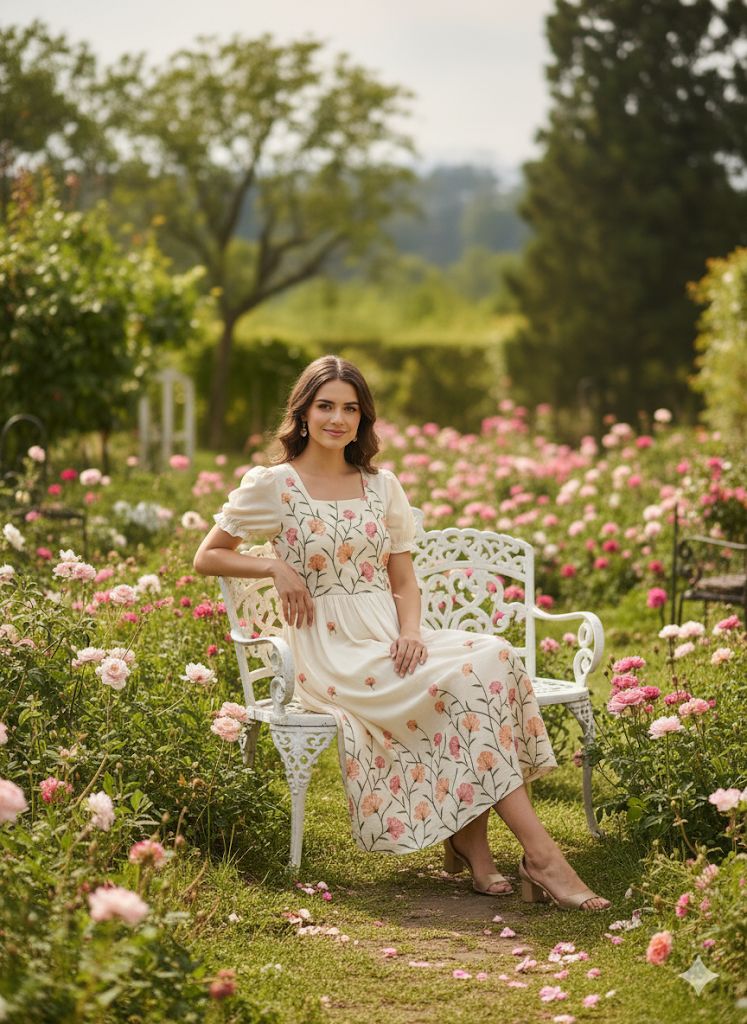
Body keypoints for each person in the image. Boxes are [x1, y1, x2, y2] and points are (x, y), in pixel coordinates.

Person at [194, 355, 609, 910]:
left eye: (350, 408)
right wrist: (273, 566)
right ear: (303, 411)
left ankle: (476, 844)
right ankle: (541, 858)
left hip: (389, 636)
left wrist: (411, 634)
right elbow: (208, 556)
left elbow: (406, 583)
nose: (337, 419)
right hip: (332, 651)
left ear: (363, 418)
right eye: (325, 406)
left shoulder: (379, 486)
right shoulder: (275, 485)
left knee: (496, 656)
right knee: (468, 679)